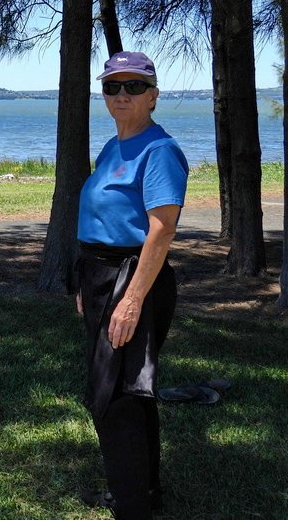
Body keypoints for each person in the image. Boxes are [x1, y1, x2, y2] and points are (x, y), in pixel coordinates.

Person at [72, 51, 188, 519]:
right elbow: (102, 217)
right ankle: (142, 494)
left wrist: (131, 300)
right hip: (102, 275)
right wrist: (88, 282)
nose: (122, 95)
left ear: (153, 96)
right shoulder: (112, 146)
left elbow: (162, 230)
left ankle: (132, 507)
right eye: (112, 86)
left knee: (114, 398)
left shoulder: (161, 151)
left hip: (133, 277)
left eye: (134, 87)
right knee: (132, 394)